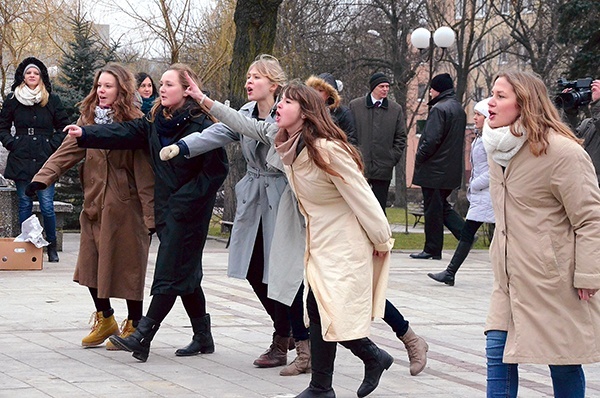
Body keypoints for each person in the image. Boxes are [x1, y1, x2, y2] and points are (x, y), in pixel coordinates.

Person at [175, 79, 395, 398]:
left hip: (344, 238)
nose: (278, 107)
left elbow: (363, 196)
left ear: (305, 112)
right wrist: (204, 100)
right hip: (316, 237)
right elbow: (244, 124)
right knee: (316, 306)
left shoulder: (327, 149)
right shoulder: (283, 139)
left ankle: (328, 383)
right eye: (279, 101)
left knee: (323, 306)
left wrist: (381, 241)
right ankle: (362, 363)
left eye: (287, 102)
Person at [63, 63, 228, 363]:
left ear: (187, 89)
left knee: (168, 271)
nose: (162, 89)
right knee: (186, 273)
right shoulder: (156, 121)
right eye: (161, 84)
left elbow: (217, 171)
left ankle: (143, 334)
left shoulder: (202, 125)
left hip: (190, 211)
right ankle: (203, 337)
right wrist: (85, 134)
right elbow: (122, 131)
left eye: (169, 84)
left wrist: (185, 200)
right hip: (166, 209)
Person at [162, 54, 309, 373]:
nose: (249, 81)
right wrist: (184, 147)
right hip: (255, 197)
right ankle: (284, 333)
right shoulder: (243, 112)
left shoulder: (283, 115)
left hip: (281, 199)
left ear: (274, 84)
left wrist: (205, 100)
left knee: (282, 273)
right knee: (255, 269)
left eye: (256, 77)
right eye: (248, 76)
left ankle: (299, 340)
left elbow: (254, 130)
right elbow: (220, 133)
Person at [482, 71, 600, 398]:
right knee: (497, 354)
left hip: (553, 281)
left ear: (525, 103)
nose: (491, 102)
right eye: (492, 94)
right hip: (508, 279)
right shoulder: (496, 149)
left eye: (501, 96)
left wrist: (588, 273)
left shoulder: (563, 153)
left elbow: (591, 218)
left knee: (562, 362)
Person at [307, 71, 429, 376]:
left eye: (319, 93)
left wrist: (379, 239)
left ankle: (406, 338)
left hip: (352, 207)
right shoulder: (303, 125)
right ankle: (302, 352)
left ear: (329, 97)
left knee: (353, 291)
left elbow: (351, 158)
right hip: (317, 220)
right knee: (317, 298)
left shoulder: (342, 121)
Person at [27, 63, 155, 349]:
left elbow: (145, 174)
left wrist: (150, 215)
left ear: (121, 89)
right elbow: (65, 152)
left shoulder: (135, 124)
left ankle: (134, 323)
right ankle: (105, 317)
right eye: (99, 86)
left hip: (125, 208)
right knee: (90, 265)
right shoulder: (88, 121)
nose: (101, 91)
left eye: (108, 86)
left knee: (128, 266)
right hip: (95, 204)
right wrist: (42, 179)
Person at [0, 56, 69, 262]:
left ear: (41, 77)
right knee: (24, 203)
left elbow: (63, 127)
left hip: (44, 157)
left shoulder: (52, 99)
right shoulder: (13, 99)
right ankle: (27, 245)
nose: (32, 76)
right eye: (28, 73)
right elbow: (2, 127)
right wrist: (12, 143)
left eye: (36, 73)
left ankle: (52, 245)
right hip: (21, 157)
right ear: (23, 76)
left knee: (47, 205)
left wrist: (51, 145)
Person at [428, 98, 495, 286]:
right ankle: (450, 273)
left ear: (487, 117)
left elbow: (493, 170)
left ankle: (450, 272)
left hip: (488, 194)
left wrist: (474, 185)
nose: (475, 118)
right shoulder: (480, 137)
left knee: (479, 234)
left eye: (478, 115)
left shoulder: (490, 139)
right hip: (483, 195)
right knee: (471, 233)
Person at [410, 73, 466, 260]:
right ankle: (465, 234)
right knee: (440, 207)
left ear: (439, 89)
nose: (430, 92)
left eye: (432, 89)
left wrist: (420, 156)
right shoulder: (458, 109)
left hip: (435, 169)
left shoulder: (439, 109)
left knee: (433, 210)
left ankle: (433, 248)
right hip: (449, 169)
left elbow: (431, 139)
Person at [349, 72, 406, 212]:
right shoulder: (356, 106)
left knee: (379, 210)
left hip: (383, 167)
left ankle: (380, 234)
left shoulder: (395, 109)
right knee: (359, 208)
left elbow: (400, 137)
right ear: (373, 87)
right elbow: (349, 134)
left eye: (387, 86)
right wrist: (354, 155)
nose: (385, 89)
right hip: (360, 167)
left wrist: (391, 158)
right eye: (382, 86)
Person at [306, 73, 358, 145]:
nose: (316, 94)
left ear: (329, 94)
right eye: (314, 90)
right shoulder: (306, 111)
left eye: (320, 90)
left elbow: (351, 139)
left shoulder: (343, 113)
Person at [575, 80, 600, 184]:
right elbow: (566, 141)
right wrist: (569, 113)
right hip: (583, 185)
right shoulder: (587, 124)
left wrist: (598, 103)